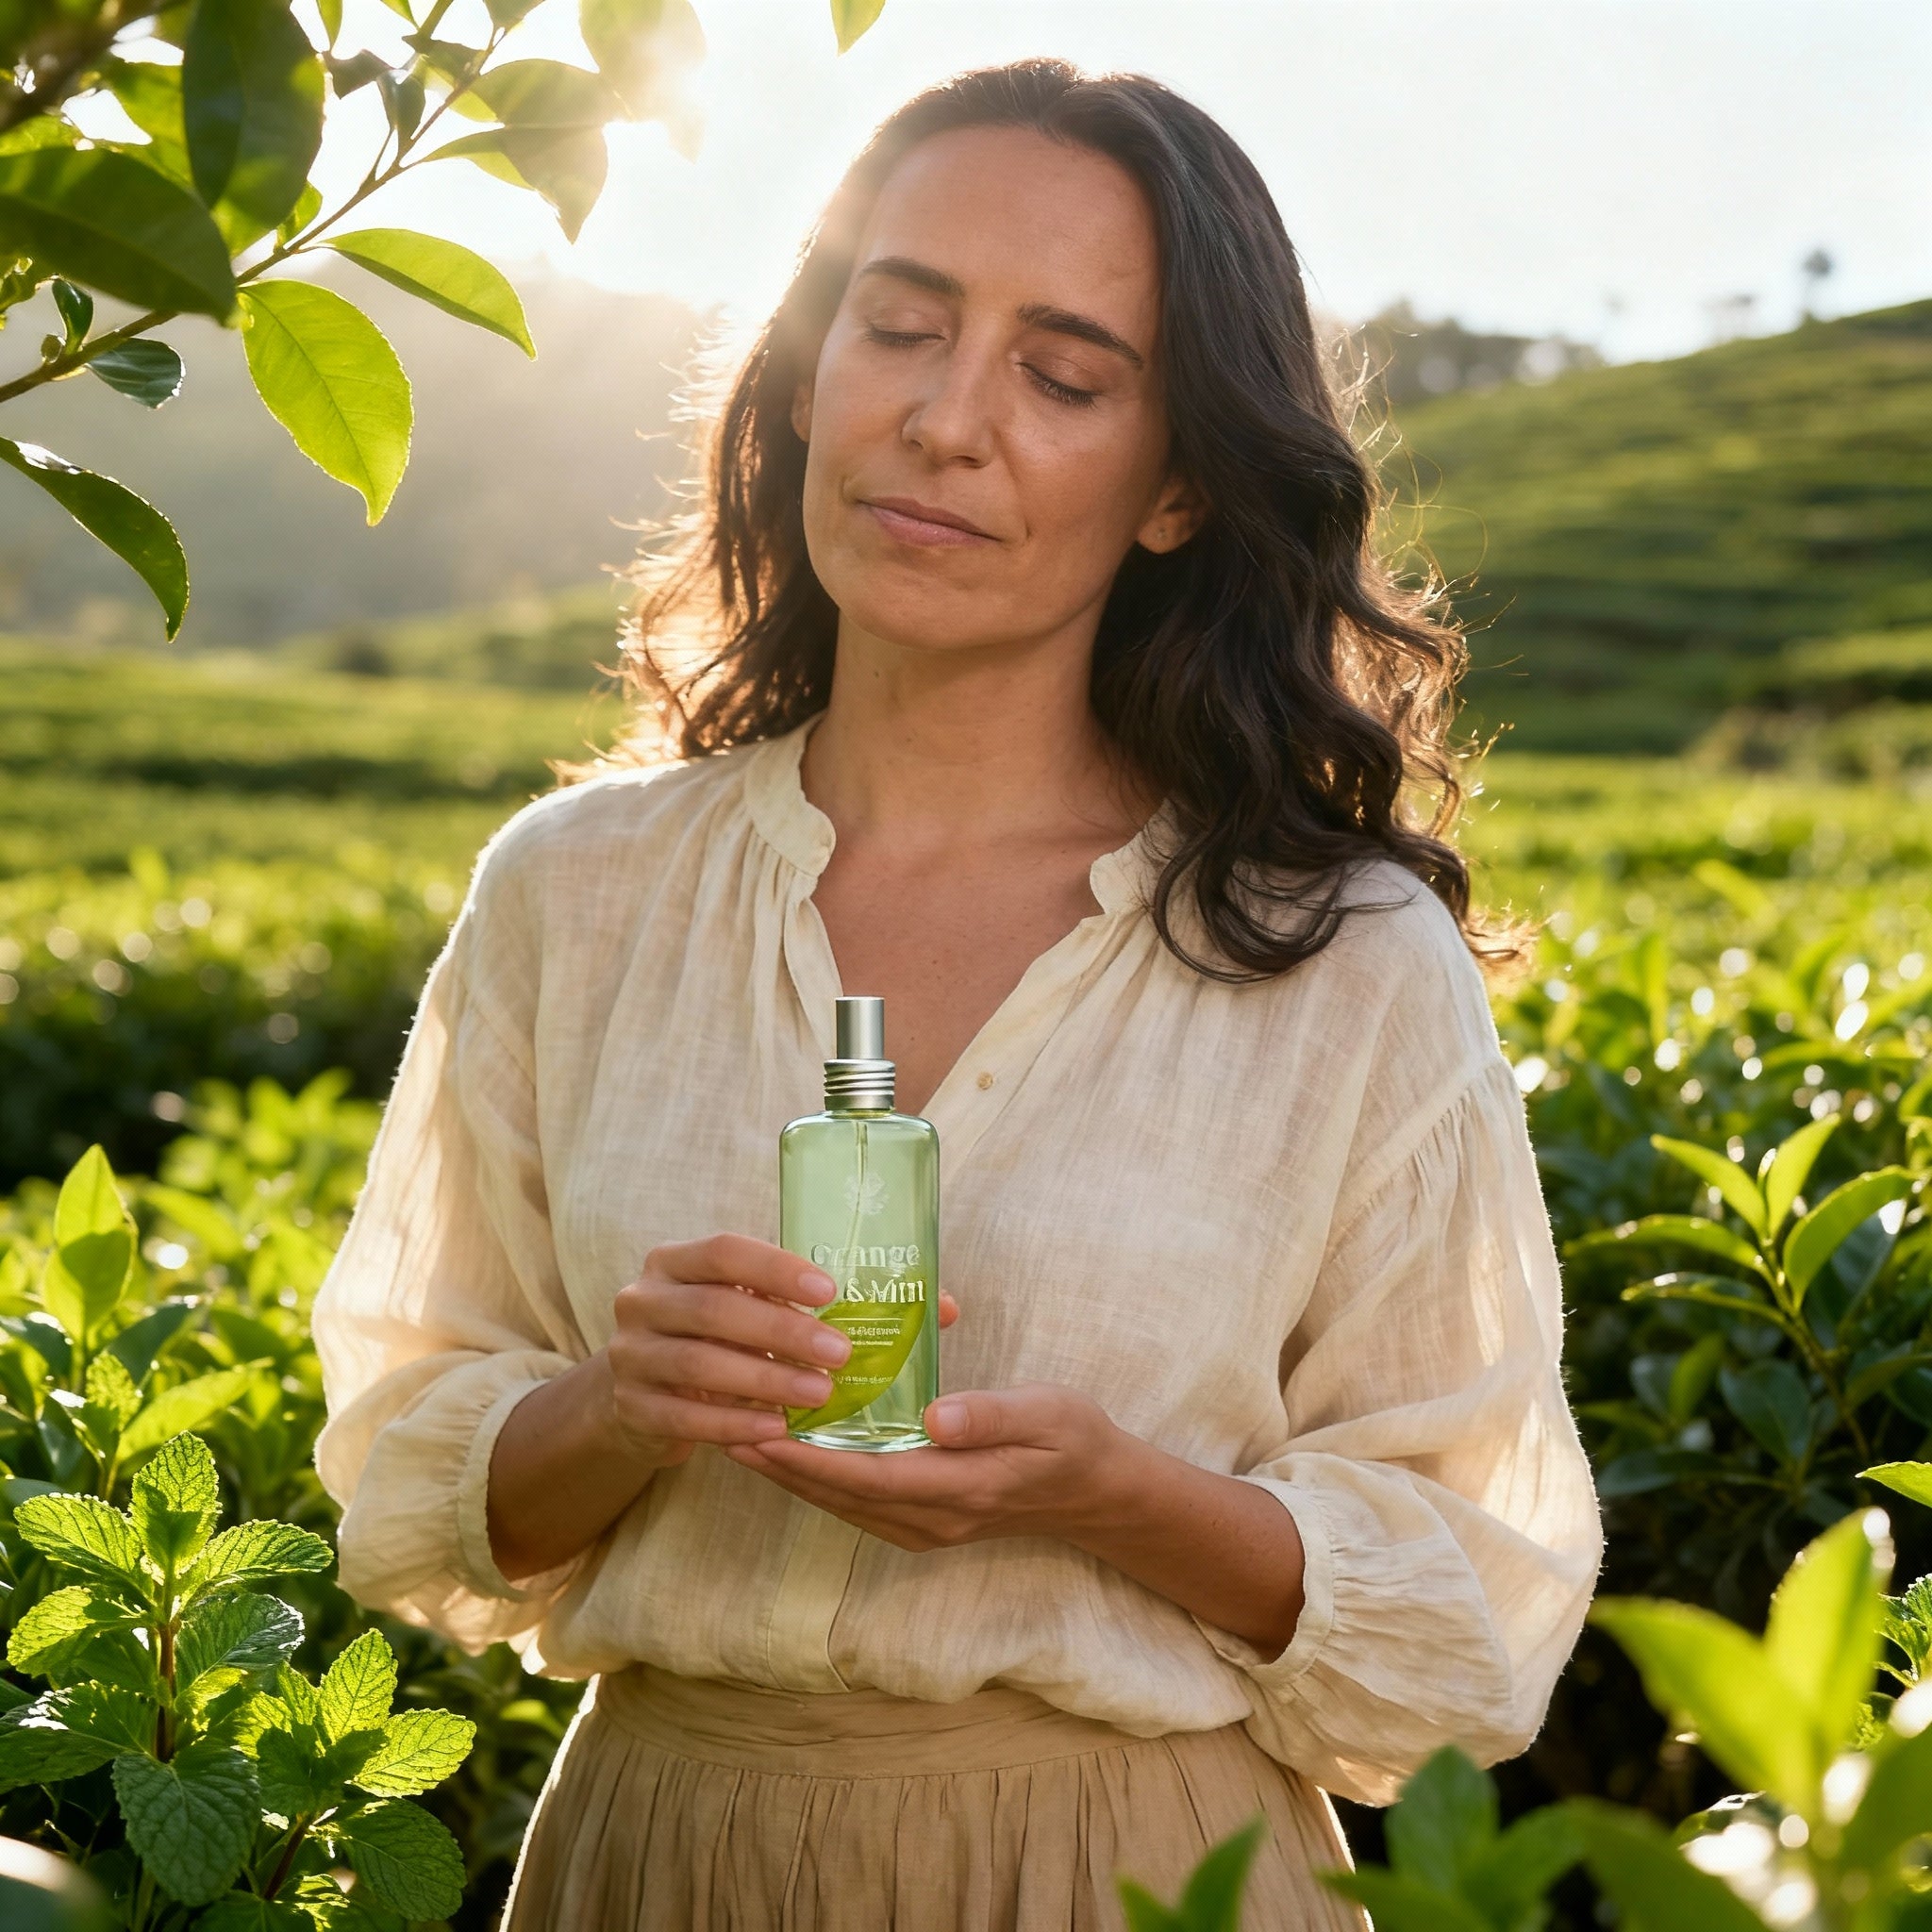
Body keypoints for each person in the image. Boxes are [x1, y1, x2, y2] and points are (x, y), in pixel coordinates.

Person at [312, 58, 1602, 1931]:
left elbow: (1471, 1601)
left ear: (1172, 491)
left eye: (1060, 377)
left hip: (1135, 1868)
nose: (942, 420)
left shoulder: (1337, 960)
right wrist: (622, 1401)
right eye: (898, 327)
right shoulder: (576, 897)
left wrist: (1107, 1495)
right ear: (807, 368)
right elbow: (411, 1472)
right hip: (666, 1861)